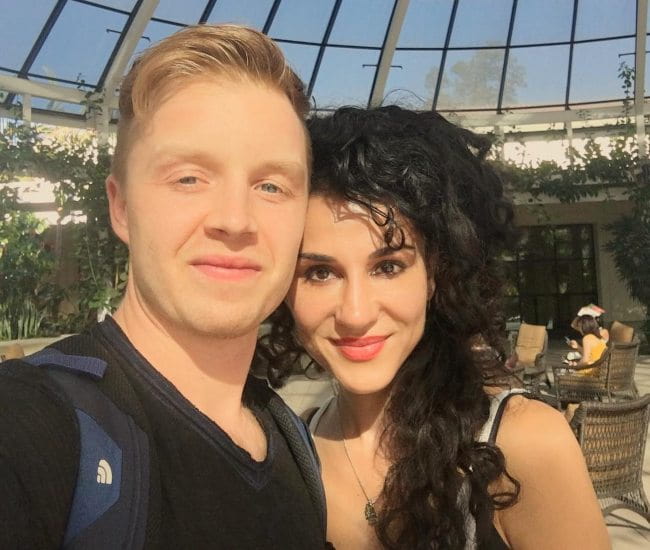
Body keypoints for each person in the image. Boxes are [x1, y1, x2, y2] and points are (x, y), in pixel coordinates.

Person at [0, 25, 327, 549]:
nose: (235, 219)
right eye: (189, 178)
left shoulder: (293, 443)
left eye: (271, 185)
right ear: (121, 207)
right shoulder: (32, 424)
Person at [260, 106, 610, 549]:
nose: (355, 313)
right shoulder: (295, 449)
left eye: (388, 266)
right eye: (320, 273)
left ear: (433, 273)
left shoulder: (524, 442)